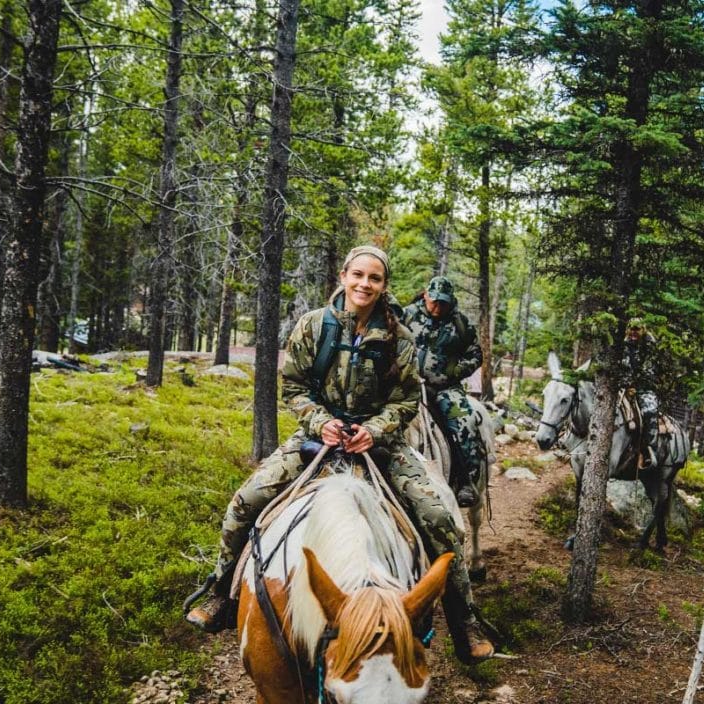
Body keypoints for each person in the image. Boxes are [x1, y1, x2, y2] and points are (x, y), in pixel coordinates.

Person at [184, 246, 493, 664]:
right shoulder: (313, 326)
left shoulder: (400, 336)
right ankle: (222, 591)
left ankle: (463, 620)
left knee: (439, 517)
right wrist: (319, 422)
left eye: (375, 278)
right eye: (359, 275)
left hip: (380, 443)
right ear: (344, 276)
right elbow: (293, 388)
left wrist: (374, 430)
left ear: (384, 286)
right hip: (319, 437)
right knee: (245, 500)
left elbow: (406, 400)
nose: (365, 284)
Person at [402, 276, 485, 508]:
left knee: (465, 422)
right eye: (434, 301)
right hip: (405, 383)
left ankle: (465, 479)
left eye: (444, 303)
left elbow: (475, 354)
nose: (438, 307)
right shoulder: (406, 315)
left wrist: (455, 371)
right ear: (426, 295)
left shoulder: (460, 324)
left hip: (443, 388)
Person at [621, 318, 660, 468]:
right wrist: (626, 383)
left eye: (637, 329)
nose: (634, 332)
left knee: (649, 412)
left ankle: (649, 449)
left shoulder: (649, 345)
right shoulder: (623, 344)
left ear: (643, 330)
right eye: (631, 329)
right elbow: (622, 365)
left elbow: (649, 369)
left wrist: (636, 385)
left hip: (644, 387)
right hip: (623, 386)